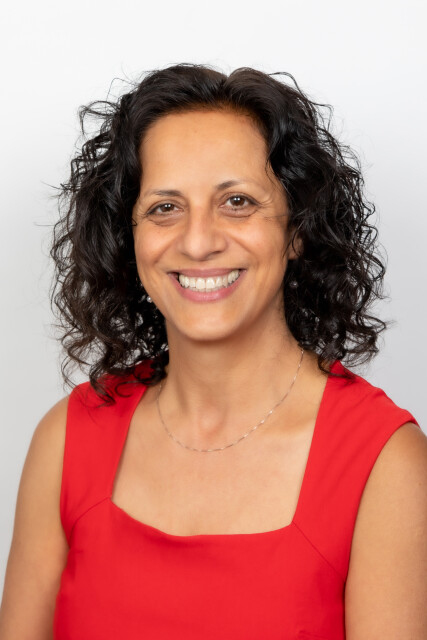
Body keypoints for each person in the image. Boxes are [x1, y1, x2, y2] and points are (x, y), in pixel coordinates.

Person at [0, 63, 426, 640]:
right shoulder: (66, 439)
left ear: (297, 229)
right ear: (130, 236)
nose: (198, 241)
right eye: (165, 207)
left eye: (238, 201)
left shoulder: (385, 463)